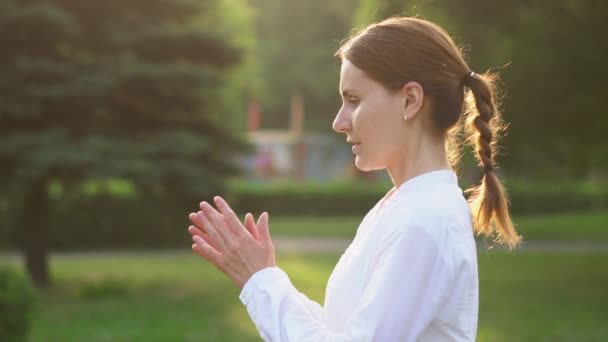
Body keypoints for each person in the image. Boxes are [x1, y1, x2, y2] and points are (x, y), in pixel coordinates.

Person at [187, 16, 522, 341]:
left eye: (354, 100)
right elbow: (340, 330)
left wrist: (260, 282)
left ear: (410, 100)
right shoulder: (403, 206)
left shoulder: (424, 220)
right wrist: (264, 277)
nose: (339, 121)